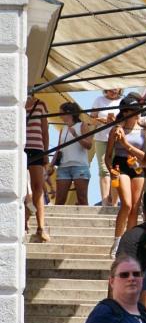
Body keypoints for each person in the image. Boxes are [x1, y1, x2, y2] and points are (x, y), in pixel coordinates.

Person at [105, 97, 146, 256]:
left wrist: (126, 144)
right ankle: (117, 241)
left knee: (135, 207)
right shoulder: (116, 130)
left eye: (131, 111)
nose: (128, 114)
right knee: (127, 204)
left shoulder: (144, 130)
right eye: (126, 111)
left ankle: (130, 245)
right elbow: (108, 156)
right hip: (120, 165)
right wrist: (111, 171)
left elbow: (145, 156)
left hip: (137, 166)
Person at [53, 102, 92, 206]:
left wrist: (76, 136)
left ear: (69, 113)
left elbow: (89, 145)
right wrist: (51, 165)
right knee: (59, 200)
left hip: (79, 166)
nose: (59, 116)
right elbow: (58, 148)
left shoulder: (82, 125)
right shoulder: (63, 129)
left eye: (61, 113)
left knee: (82, 198)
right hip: (63, 166)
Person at [90, 88, 121, 206]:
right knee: (103, 170)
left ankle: (114, 201)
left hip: (117, 139)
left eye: (116, 89)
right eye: (111, 89)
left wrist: (116, 121)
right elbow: (91, 120)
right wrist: (102, 120)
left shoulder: (122, 101)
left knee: (116, 169)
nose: (113, 91)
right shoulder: (98, 100)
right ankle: (104, 200)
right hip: (101, 138)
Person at [24, 97, 49, 242]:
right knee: (23, 189)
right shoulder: (18, 100)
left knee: (38, 187)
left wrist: (45, 153)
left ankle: (41, 227)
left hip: (37, 148)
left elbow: (44, 131)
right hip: (21, 147)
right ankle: (25, 221)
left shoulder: (41, 104)